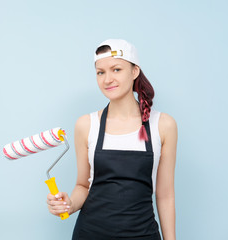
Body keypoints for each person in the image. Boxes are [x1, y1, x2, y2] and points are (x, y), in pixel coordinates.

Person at [46, 39, 177, 240]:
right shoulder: (86, 125)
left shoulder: (163, 125)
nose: (107, 79)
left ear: (134, 72)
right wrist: (69, 204)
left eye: (116, 69)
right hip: (90, 234)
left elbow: (165, 195)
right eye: (101, 72)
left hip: (143, 235)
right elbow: (83, 185)